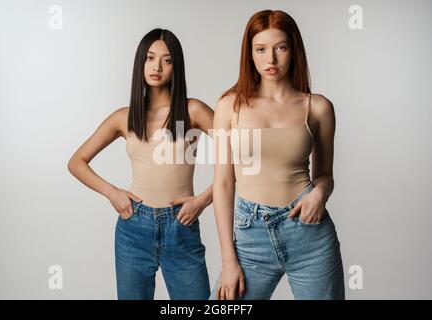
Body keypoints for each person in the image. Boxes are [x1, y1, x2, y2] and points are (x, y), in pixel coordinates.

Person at [68, 28, 213, 300]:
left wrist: (203, 200)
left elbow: (245, 156)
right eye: (149, 58)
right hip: (133, 226)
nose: (157, 66)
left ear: (176, 67)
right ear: (140, 63)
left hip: (180, 224)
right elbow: (76, 162)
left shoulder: (193, 111)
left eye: (167, 60)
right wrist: (112, 192)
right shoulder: (124, 117)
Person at [210, 10, 345, 300]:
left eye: (280, 48)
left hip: (309, 234)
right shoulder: (228, 106)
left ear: (294, 50)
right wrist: (228, 260)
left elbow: (325, 175)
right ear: (250, 54)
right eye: (261, 49)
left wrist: (320, 192)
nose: (270, 60)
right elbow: (223, 184)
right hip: (251, 235)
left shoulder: (319, 107)